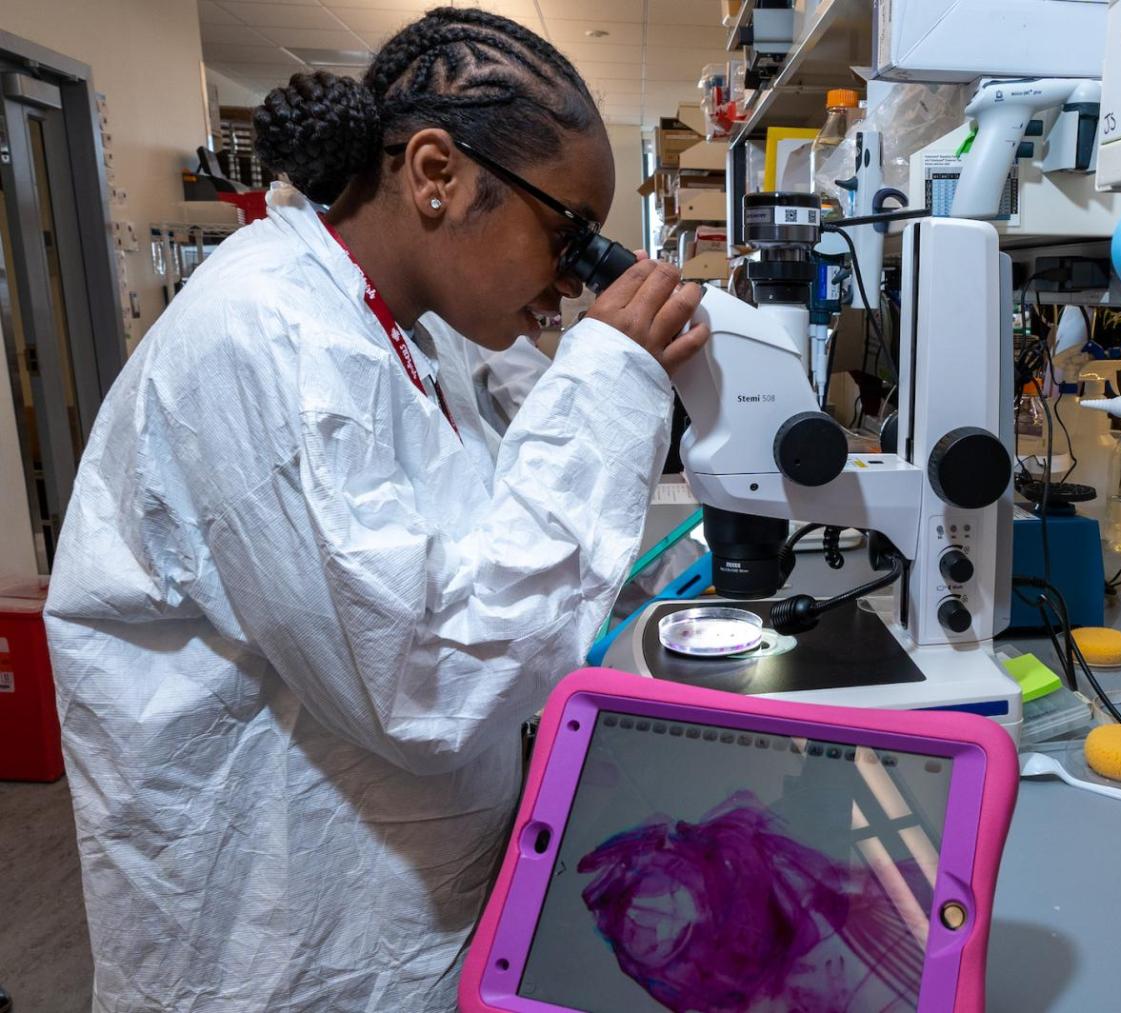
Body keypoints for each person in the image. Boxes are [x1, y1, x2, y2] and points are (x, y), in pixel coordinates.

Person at [42, 8, 708, 1011]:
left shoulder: (402, 328)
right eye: (565, 231)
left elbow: (470, 535)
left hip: (384, 898)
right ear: (435, 173)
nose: (573, 274)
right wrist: (609, 379)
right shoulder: (269, 335)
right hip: (272, 944)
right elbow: (428, 678)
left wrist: (615, 384)